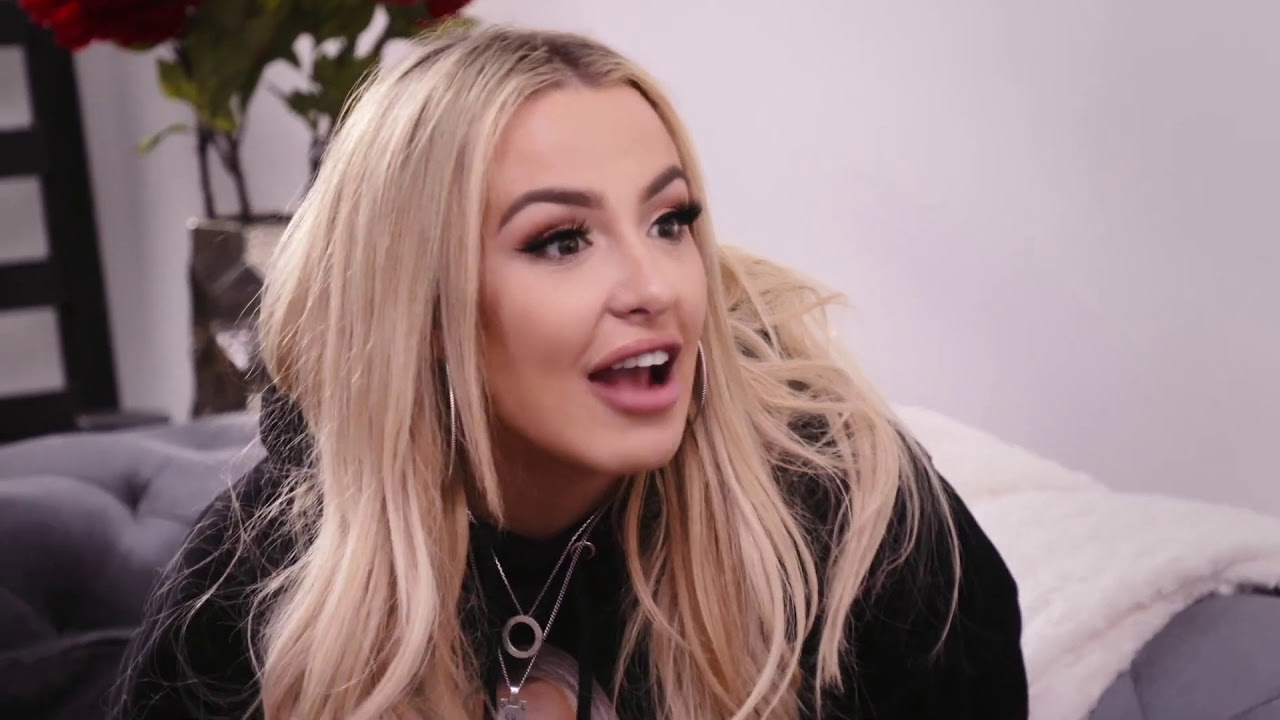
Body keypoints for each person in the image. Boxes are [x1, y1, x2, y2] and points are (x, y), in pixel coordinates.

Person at [112, 24, 1028, 720]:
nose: (655, 287)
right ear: (423, 310)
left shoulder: (857, 519)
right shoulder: (258, 582)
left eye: (670, 222)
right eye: (560, 240)